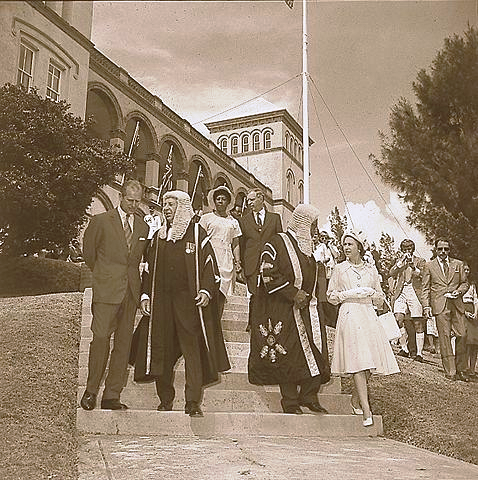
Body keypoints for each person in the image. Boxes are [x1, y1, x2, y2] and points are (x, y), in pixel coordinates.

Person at [131, 190, 230, 417]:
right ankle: (165, 399)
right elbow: (147, 269)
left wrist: (206, 290)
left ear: (183, 207)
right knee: (162, 350)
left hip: (189, 303)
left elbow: (209, 266)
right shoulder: (158, 237)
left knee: (192, 352)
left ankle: (192, 401)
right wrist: (145, 295)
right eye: (165, 204)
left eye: (171, 205)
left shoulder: (197, 234)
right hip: (162, 303)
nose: (166, 208)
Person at [248, 204, 330, 415]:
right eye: (313, 225)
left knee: (314, 350)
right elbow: (267, 273)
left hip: (307, 310)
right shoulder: (276, 242)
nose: (316, 230)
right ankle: (290, 400)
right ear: (303, 224)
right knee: (288, 354)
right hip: (282, 308)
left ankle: (309, 396)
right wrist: (293, 293)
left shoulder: (307, 249)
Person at [80, 179, 149, 411]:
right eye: (130, 200)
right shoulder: (101, 221)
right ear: (121, 197)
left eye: (137, 201)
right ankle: (91, 391)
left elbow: (138, 260)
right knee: (100, 340)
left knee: (123, 345)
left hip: (130, 293)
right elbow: (89, 253)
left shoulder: (142, 227)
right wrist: (104, 275)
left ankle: (112, 395)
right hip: (106, 290)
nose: (133, 205)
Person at [327, 230, 399, 427]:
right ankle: (367, 409)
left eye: (350, 244)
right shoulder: (340, 269)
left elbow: (380, 297)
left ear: (359, 247)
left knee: (369, 362)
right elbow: (330, 296)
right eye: (344, 245)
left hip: (368, 314)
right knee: (358, 360)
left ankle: (356, 399)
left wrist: (371, 293)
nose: (346, 248)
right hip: (350, 314)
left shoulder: (371, 270)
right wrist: (346, 294)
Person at [422, 238, 469, 382]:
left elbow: (464, 283)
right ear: (435, 250)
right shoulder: (429, 266)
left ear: (449, 250)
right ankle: (451, 370)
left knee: (462, 334)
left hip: (457, 304)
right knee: (445, 337)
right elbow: (425, 288)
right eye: (440, 249)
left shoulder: (458, 264)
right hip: (440, 305)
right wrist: (426, 306)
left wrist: (459, 292)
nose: (443, 252)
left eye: (446, 249)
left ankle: (461, 369)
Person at [238, 188, 282, 328]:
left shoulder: (275, 219)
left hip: (270, 265)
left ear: (261, 199)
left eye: (251, 199)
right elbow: (242, 244)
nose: (249, 203)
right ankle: (253, 324)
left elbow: (279, 242)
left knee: (270, 295)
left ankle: (269, 325)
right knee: (254, 295)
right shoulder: (244, 221)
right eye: (248, 200)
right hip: (251, 265)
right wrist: (242, 266)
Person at [199, 186, 242, 317]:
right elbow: (200, 239)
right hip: (209, 257)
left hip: (226, 260)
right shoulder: (206, 218)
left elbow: (235, 243)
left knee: (221, 293)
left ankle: (217, 323)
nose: (220, 201)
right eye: (218, 199)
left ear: (228, 202)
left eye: (223, 199)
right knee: (207, 288)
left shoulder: (233, 222)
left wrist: (238, 261)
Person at [389, 239, 426, 361]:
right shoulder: (399, 260)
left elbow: (422, 275)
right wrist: (400, 263)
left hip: (414, 291)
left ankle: (419, 353)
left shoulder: (420, 261)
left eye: (409, 249)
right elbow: (391, 273)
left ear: (413, 249)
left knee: (417, 322)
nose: (407, 251)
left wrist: (412, 266)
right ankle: (404, 349)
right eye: (404, 249)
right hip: (401, 291)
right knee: (398, 319)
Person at [462, 264, 478, 380]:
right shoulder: (457, 283)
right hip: (462, 311)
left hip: (472, 311)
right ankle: (464, 367)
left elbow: (476, 299)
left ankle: (472, 368)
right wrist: (464, 312)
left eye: (468, 269)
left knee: (474, 342)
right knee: (465, 341)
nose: (466, 271)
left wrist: (476, 313)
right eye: (464, 269)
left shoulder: (472, 285)